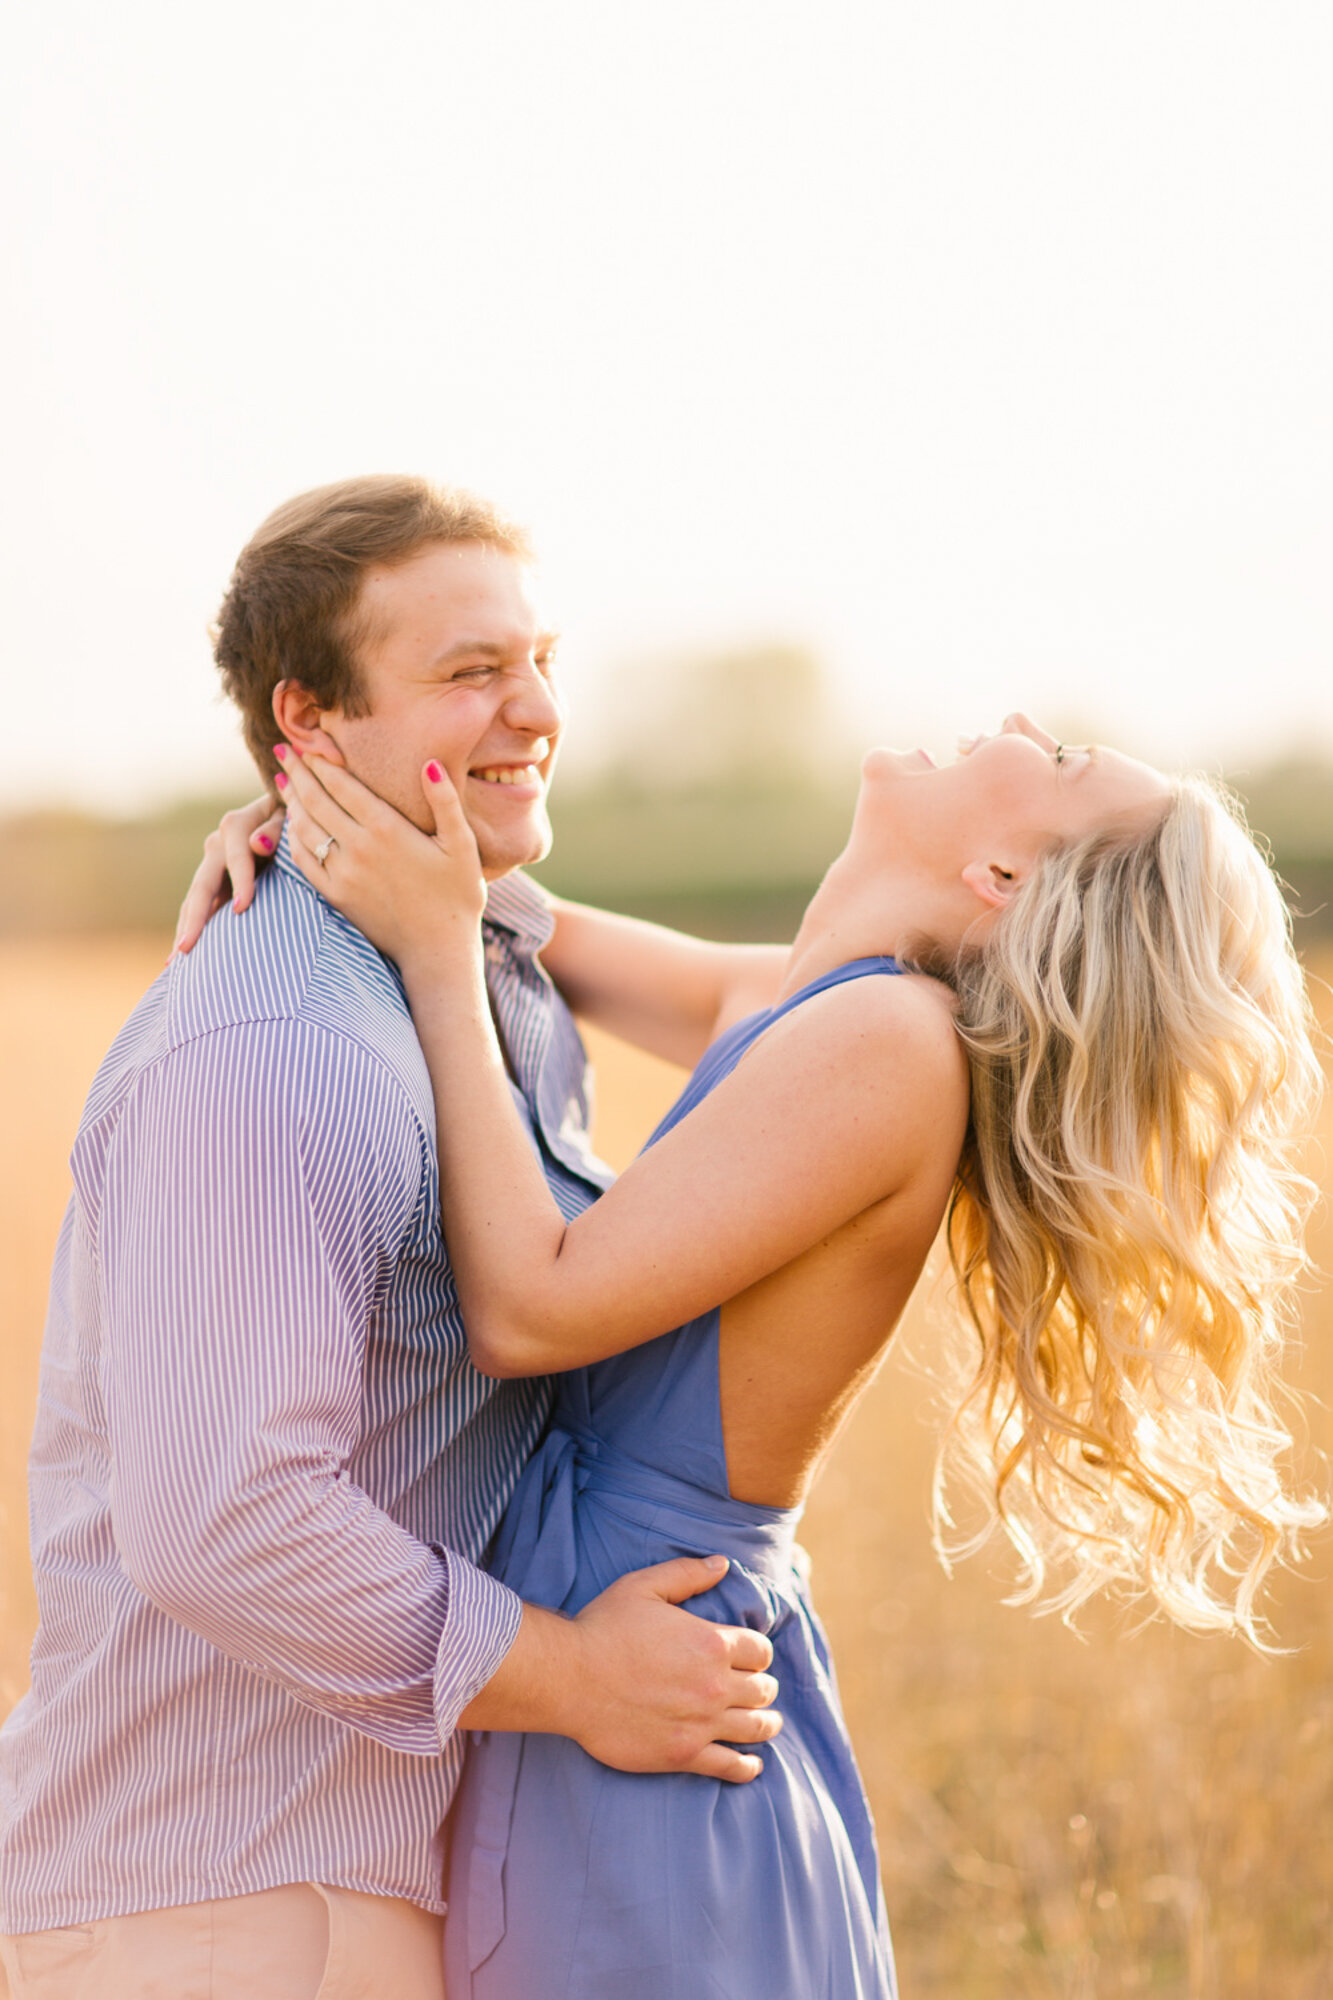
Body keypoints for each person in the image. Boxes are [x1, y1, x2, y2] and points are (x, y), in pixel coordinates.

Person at [266, 711, 1323, 1999]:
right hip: (618, 1657)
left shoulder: (891, 1046)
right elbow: (512, 920)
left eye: (1056, 765)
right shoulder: (813, 1000)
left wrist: (432, 953)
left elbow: (529, 1309)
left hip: (654, 1685)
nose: (1025, 726)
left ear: (1003, 882)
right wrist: (303, 837)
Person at [0, 477, 784, 2000]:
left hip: (347, 1900)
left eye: (541, 657)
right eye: (473, 672)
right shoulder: (273, 1044)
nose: (536, 706)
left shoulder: (464, 963)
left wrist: (418, 870)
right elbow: (221, 1515)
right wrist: (580, 1682)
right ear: (311, 718)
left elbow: (805, 1019)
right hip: (216, 1919)